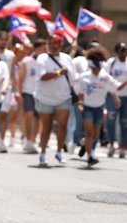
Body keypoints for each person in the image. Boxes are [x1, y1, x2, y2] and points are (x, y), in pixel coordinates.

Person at [77, 46, 126, 166]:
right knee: (89, 132)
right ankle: (90, 156)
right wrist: (80, 104)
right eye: (93, 68)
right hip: (88, 108)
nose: (95, 71)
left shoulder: (105, 77)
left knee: (94, 134)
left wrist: (117, 96)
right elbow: (80, 93)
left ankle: (85, 144)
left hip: (99, 108)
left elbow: (116, 88)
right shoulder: (84, 77)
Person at [34, 34, 75, 166]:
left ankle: (59, 152)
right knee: (47, 127)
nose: (52, 45)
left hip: (63, 98)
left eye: (55, 43)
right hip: (45, 98)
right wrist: (58, 73)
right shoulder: (42, 58)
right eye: (50, 43)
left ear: (61, 45)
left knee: (62, 127)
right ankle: (43, 153)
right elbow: (42, 76)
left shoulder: (67, 58)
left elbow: (73, 78)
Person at [16, 39, 47, 154]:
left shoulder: (45, 61)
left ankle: (33, 141)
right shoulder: (27, 60)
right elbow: (20, 78)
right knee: (28, 115)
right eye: (44, 48)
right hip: (27, 92)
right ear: (37, 48)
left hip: (40, 93)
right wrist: (18, 92)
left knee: (37, 118)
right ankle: (27, 139)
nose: (45, 50)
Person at [105, 42, 127, 158]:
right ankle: (111, 144)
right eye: (122, 50)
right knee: (111, 121)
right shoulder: (111, 63)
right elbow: (107, 80)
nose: (124, 52)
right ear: (117, 51)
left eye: (126, 50)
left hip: (126, 97)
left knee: (124, 122)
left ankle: (123, 146)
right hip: (112, 96)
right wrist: (115, 96)